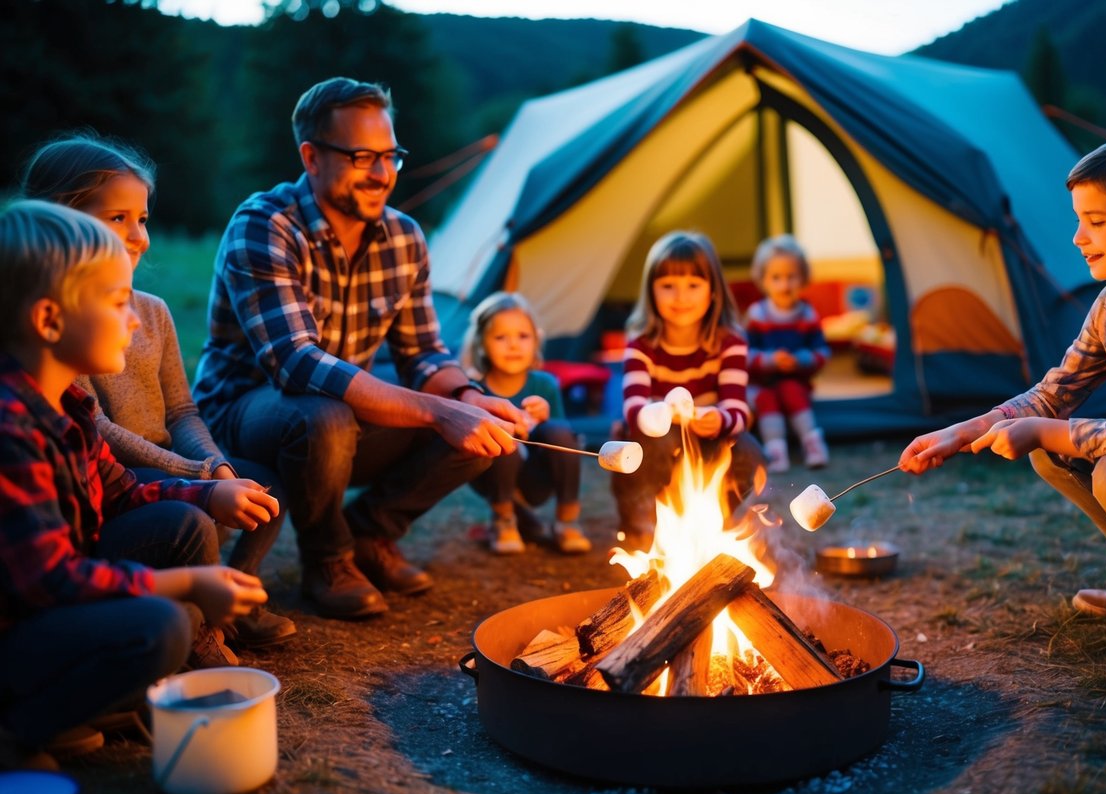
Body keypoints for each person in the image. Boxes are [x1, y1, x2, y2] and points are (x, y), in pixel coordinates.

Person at [193, 77, 526, 620]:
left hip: (350, 416)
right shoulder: (265, 225)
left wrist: (468, 394)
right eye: (362, 157)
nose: (382, 173)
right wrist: (439, 410)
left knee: (478, 424)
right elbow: (298, 364)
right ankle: (328, 558)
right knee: (324, 414)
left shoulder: (404, 237)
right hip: (244, 414)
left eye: (390, 155)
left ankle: (371, 535)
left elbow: (423, 354)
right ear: (312, 156)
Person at [898, 127, 1106, 672]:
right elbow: (1053, 394)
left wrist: (1047, 429)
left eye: (1095, 222)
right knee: (1054, 450)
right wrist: (959, 433)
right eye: (1078, 221)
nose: (1076, 238)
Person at [0, 200, 276, 770]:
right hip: (17, 626)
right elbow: (49, 581)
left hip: (49, 605)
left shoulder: (69, 404)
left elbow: (125, 494)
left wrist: (209, 493)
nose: (133, 319)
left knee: (179, 524)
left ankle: (101, 696)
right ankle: (18, 731)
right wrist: (185, 582)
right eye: (119, 302)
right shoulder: (10, 428)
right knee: (161, 624)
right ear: (49, 320)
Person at [19, 133, 295, 649]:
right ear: (61, 220)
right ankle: (201, 626)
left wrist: (216, 468)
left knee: (261, 486)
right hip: (127, 469)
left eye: (141, 218)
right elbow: (96, 431)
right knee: (188, 518)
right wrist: (198, 479)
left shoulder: (152, 311)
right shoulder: (63, 329)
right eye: (117, 218)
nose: (138, 235)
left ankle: (234, 599)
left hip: (154, 469)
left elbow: (183, 411)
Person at [611, 230, 765, 550]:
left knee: (747, 450)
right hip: (658, 439)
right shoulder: (641, 345)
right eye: (668, 286)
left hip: (708, 435)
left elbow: (738, 411)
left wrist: (718, 419)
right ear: (651, 293)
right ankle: (642, 528)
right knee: (648, 444)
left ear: (713, 292)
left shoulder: (730, 343)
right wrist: (662, 415)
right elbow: (633, 407)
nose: (681, 297)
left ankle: (716, 528)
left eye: (693, 285)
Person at [460, 292, 591, 555]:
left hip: (539, 476)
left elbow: (562, 440)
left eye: (523, 336)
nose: (513, 345)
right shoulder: (474, 391)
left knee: (561, 431)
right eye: (500, 337)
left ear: (536, 342)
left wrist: (546, 418)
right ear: (481, 344)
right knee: (502, 436)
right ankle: (503, 520)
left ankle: (567, 521)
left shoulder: (545, 385)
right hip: (492, 476)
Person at [744, 234, 831, 471]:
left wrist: (801, 360)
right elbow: (744, 355)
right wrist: (770, 361)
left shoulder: (807, 315)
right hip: (762, 384)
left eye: (791, 277)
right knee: (766, 398)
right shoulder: (757, 315)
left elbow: (822, 352)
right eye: (776, 278)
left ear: (803, 278)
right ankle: (775, 451)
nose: (784, 285)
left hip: (795, 381)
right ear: (763, 280)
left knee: (790, 390)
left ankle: (813, 444)